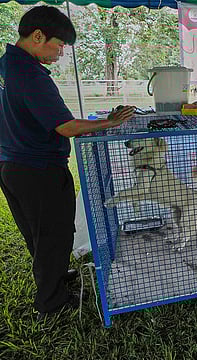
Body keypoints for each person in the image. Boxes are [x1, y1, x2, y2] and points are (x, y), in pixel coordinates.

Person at [0, 5, 135, 321]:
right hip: (38, 168)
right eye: (58, 46)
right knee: (55, 233)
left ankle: (56, 275)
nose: (60, 54)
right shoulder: (29, 74)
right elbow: (66, 126)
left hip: (11, 163)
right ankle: (51, 301)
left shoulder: (6, 65)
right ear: (38, 36)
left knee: (36, 231)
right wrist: (110, 122)